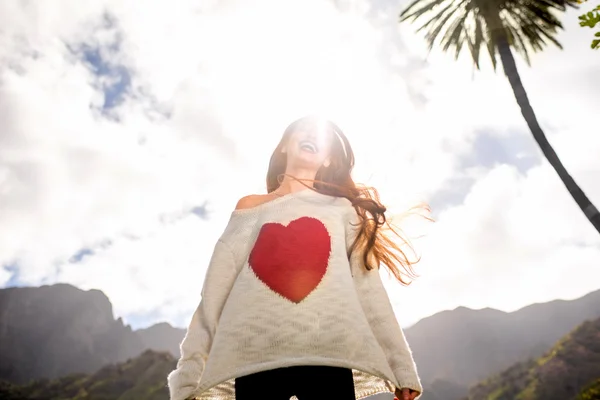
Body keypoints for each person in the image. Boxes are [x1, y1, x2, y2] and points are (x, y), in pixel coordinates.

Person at [167, 116, 424, 400]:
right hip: (254, 355)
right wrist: (187, 377)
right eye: (303, 129)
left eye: (320, 134)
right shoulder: (250, 207)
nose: (312, 134)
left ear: (328, 160)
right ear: (284, 147)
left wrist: (402, 368)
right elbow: (214, 294)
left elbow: (370, 290)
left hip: (331, 354)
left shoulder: (343, 211)